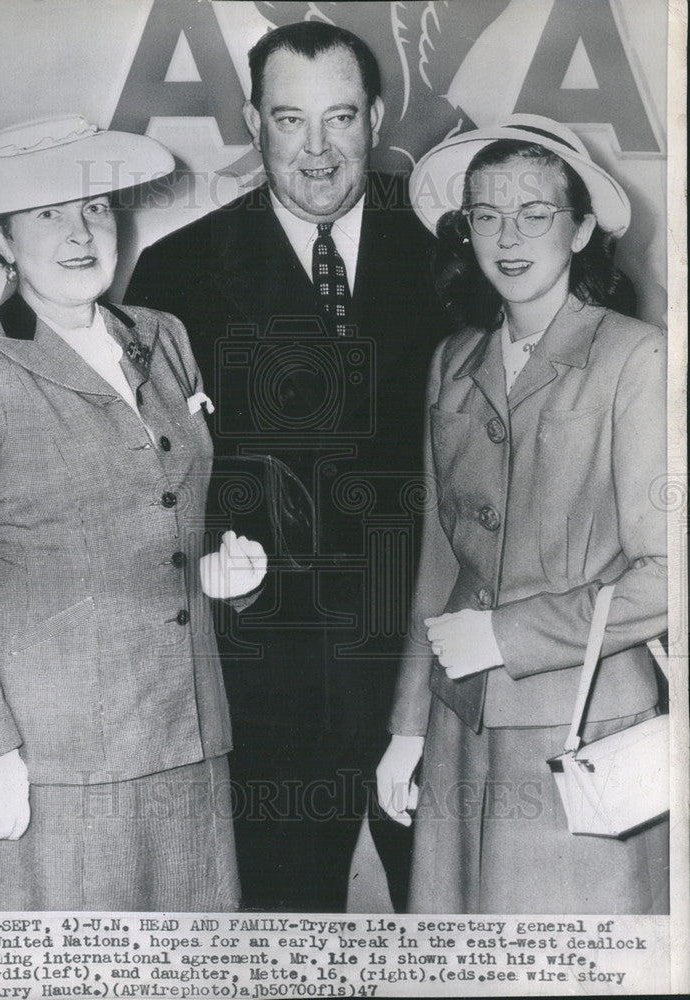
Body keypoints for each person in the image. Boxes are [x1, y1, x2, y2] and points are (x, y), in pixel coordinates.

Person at [125, 21, 445, 911]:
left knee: (458, 929)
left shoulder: (447, 257)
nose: (316, 149)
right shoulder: (177, 272)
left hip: (426, 675)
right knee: (282, 931)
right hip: (266, 687)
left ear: (375, 118)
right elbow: (145, 488)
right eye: (289, 119)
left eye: (339, 118)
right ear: (251, 120)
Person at [0, 115, 266, 911]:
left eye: (97, 207)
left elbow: (171, 510)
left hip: (188, 738)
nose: (80, 233)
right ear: (2, 240)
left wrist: (229, 571)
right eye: (48, 214)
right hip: (54, 759)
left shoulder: (162, 336)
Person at [376, 114, 669, 914]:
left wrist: (506, 636)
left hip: (582, 728)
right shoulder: (453, 360)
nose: (507, 236)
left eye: (534, 213)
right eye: (485, 214)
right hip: (459, 725)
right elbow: (438, 563)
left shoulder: (635, 358)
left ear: (579, 230)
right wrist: (407, 725)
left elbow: (668, 577)